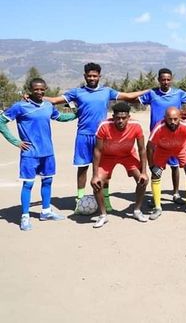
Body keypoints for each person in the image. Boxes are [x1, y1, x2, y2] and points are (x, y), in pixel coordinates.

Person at [43, 62, 147, 211]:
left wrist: (150, 90)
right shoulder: (77, 92)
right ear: (85, 76)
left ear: (99, 76)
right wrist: (33, 96)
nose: (92, 78)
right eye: (89, 75)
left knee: (104, 170)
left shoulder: (107, 91)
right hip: (84, 136)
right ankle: (80, 199)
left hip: (104, 136)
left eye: (95, 75)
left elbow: (129, 96)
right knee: (83, 168)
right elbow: (54, 100)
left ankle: (106, 200)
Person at [0, 78, 76, 231]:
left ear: (45, 89)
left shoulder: (48, 106)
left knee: (47, 182)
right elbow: (1, 121)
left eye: (42, 89)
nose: (39, 92)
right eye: (36, 89)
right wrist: (15, 142)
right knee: (28, 184)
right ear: (30, 90)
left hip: (47, 152)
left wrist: (77, 114)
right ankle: (25, 217)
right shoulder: (20, 106)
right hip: (30, 153)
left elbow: (59, 117)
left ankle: (46, 212)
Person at [138, 68, 186, 205]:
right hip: (157, 135)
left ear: (171, 80)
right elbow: (136, 100)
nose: (165, 82)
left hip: (175, 136)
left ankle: (176, 193)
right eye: (163, 79)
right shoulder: (152, 94)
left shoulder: (178, 93)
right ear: (158, 80)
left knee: (175, 166)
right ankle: (156, 197)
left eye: (168, 79)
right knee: (156, 168)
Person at [90, 102, 148, 228]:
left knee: (143, 180)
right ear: (113, 116)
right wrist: (94, 175)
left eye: (124, 118)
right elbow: (97, 150)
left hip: (128, 155)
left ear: (129, 117)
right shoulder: (104, 126)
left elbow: (142, 149)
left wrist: (144, 171)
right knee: (96, 182)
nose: (120, 121)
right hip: (108, 156)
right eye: (117, 118)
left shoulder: (136, 125)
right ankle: (103, 215)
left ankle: (137, 210)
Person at [147, 107, 186, 219]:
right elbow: (149, 147)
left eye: (175, 119)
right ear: (165, 118)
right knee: (155, 174)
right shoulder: (159, 127)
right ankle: (157, 207)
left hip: (180, 149)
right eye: (170, 119)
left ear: (180, 117)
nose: (173, 122)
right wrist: (151, 166)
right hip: (162, 149)